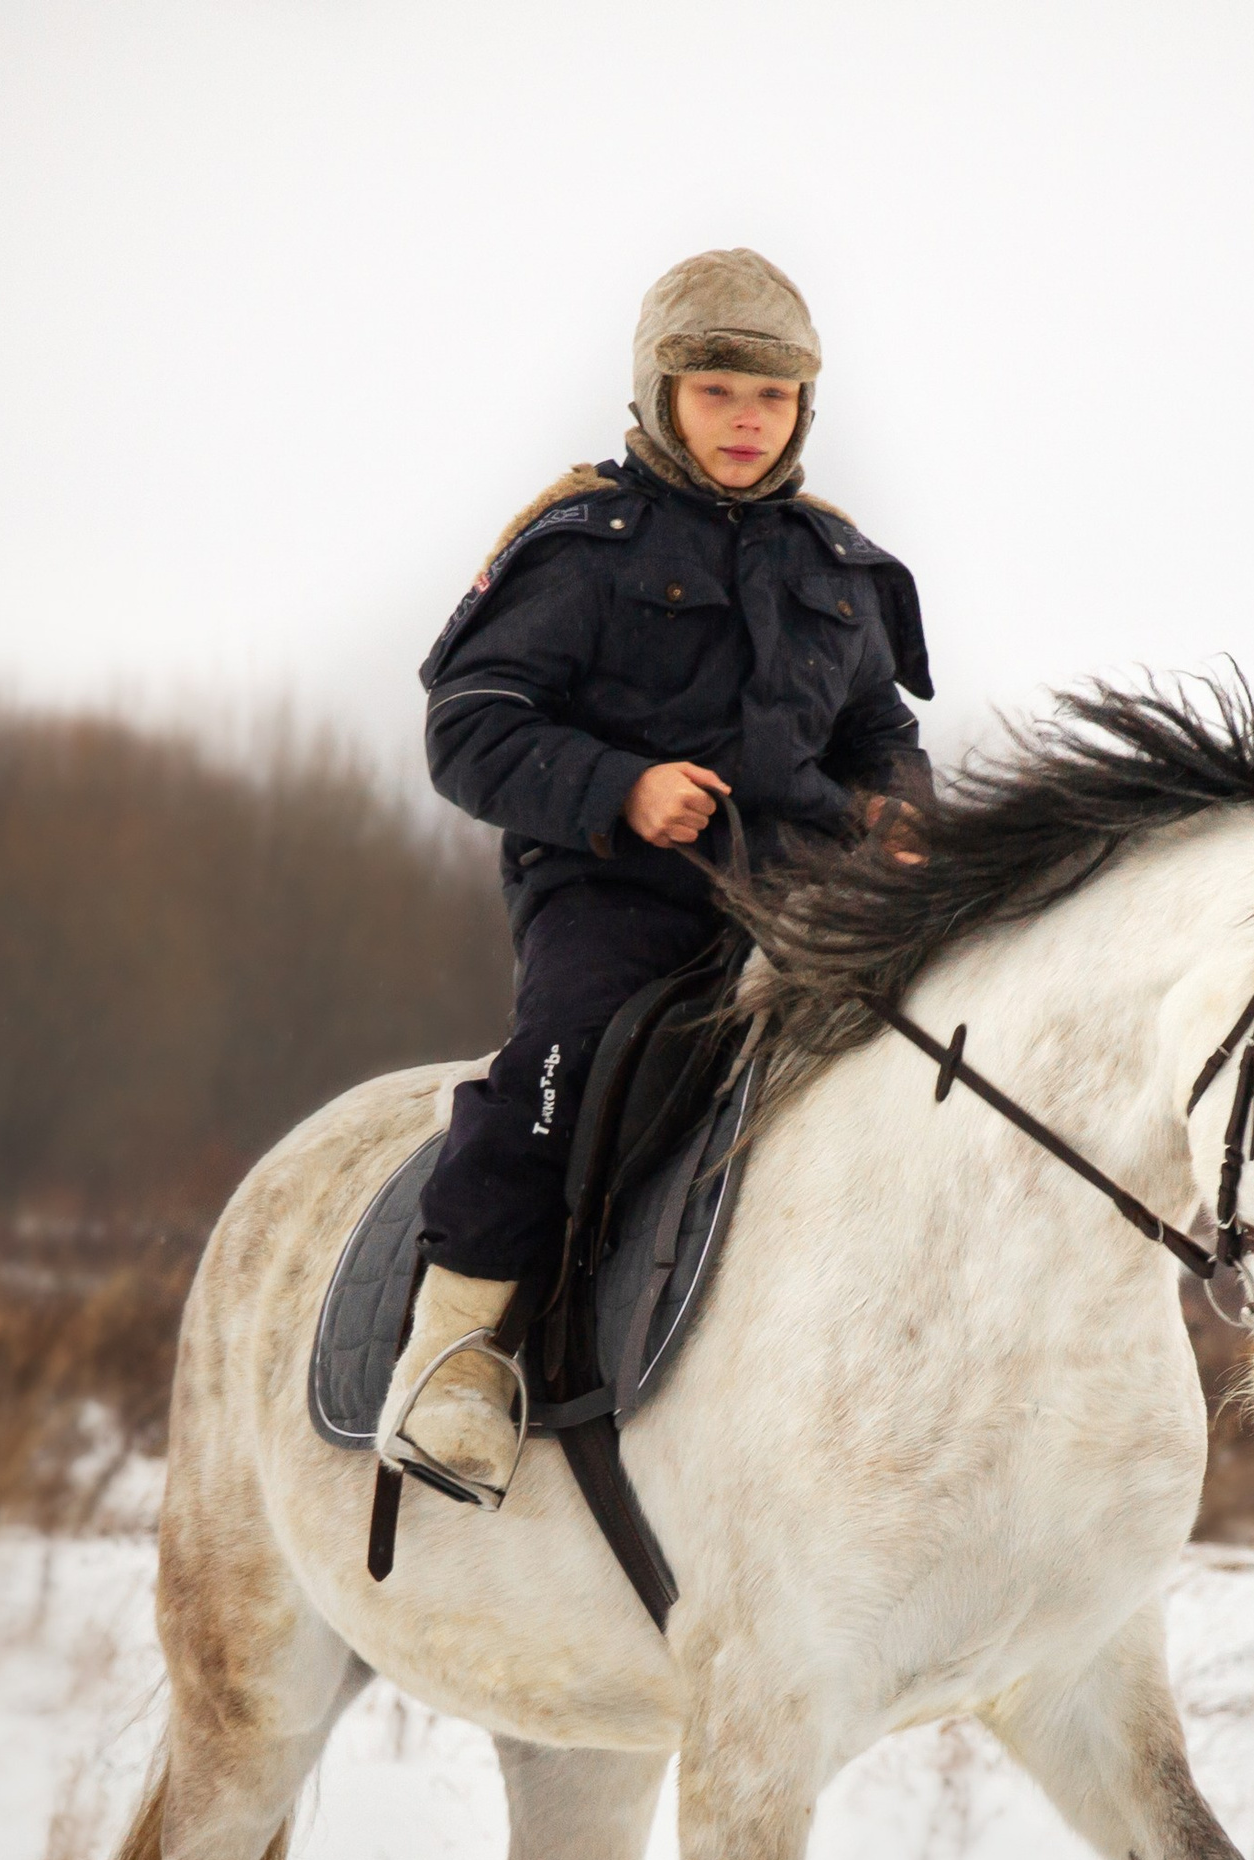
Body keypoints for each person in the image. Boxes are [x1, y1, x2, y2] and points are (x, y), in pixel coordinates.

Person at [380, 248, 933, 1498]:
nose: (746, 421)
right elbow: (470, 727)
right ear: (659, 391)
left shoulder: (836, 567)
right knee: (565, 1058)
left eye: (772, 397)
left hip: (808, 898)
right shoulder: (580, 546)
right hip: (616, 893)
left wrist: (900, 812)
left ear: (804, 407)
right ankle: (453, 1359)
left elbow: (879, 731)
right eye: (717, 391)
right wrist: (620, 789)